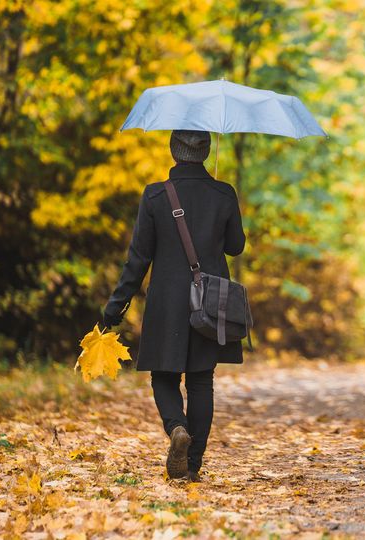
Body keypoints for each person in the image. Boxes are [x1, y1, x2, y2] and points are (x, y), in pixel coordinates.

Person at [101, 129, 245, 482]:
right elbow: (236, 246)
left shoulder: (154, 196)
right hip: (208, 303)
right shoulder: (224, 193)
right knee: (200, 382)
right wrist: (220, 207)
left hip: (166, 302)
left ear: (173, 150)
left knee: (163, 376)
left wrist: (115, 307)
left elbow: (138, 259)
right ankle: (192, 463)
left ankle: (177, 428)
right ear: (207, 151)